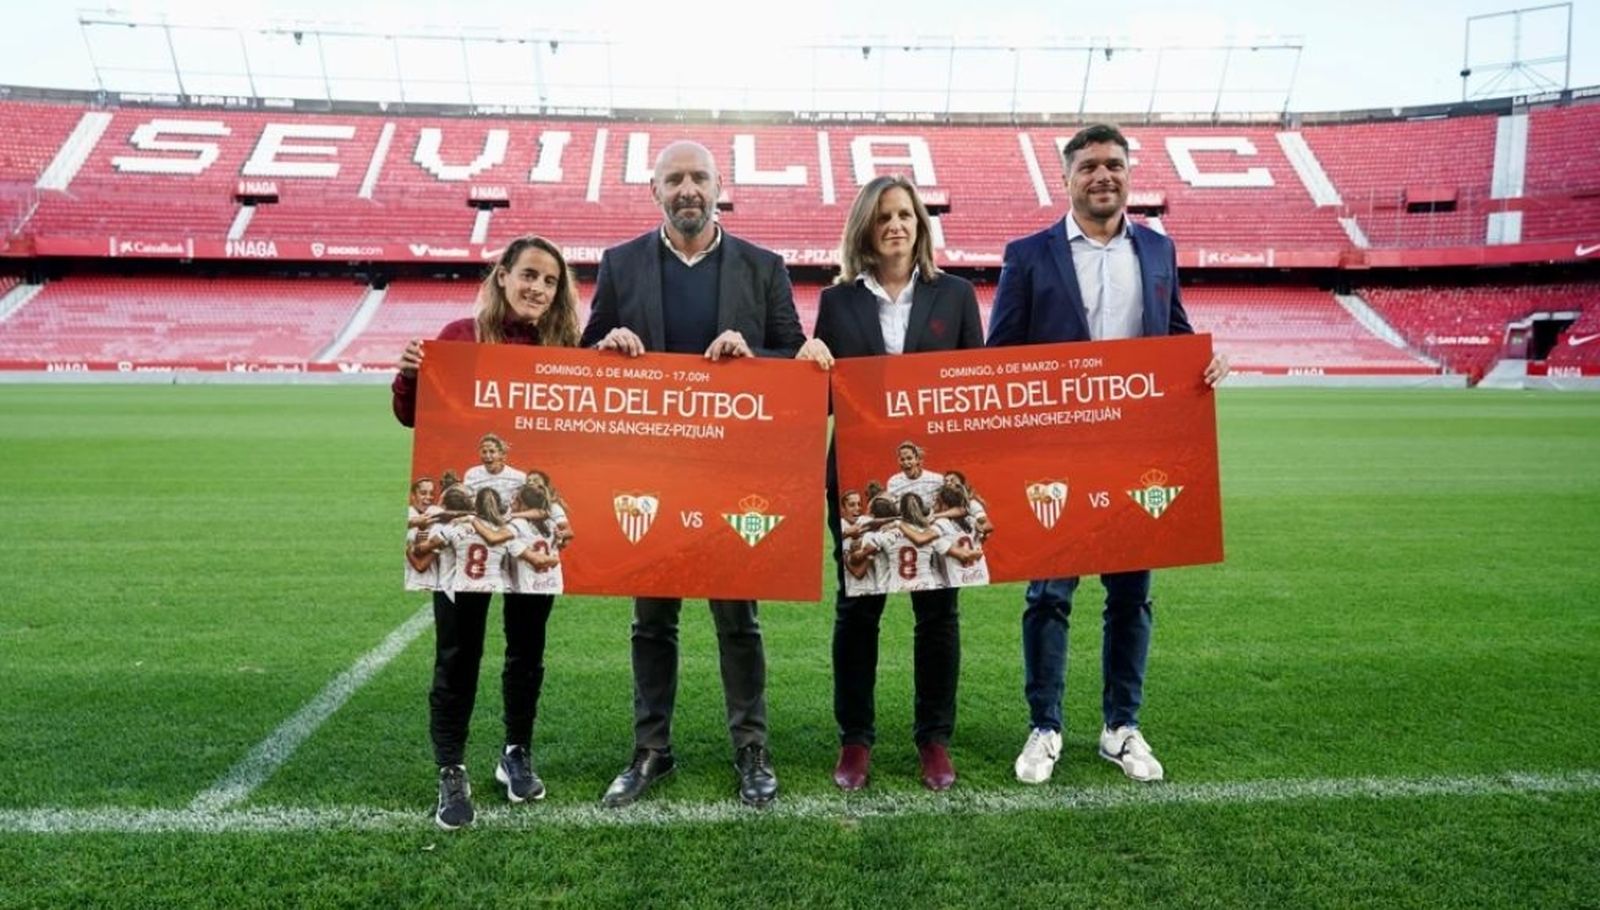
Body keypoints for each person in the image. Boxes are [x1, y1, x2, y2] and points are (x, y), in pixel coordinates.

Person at [987, 123, 1229, 785]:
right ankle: (1045, 726)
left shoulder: (1158, 249)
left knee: (1131, 598)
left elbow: (1174, 336)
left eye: (1114, 165)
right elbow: (1000, 357)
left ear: (1128, 174)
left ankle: (1121, 727)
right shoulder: (1029, 254)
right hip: (1056, 460)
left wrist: (1206, 361)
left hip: (1135, 455)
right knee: (1049, 597)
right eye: (1089, 166)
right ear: (1066, 179)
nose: (1103, 176)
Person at [580, 140, 805, 808]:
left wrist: (752, 353)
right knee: (652, 623)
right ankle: (652, 750)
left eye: (698, 177)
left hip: (733, 475)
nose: (687, 189)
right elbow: (589, 352)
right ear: (654, 190)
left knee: (739, 620)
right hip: (649, 476)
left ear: (718, 186)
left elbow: (793, 356)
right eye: (674, 178)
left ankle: (752, 750)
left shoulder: (764, 267)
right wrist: (607, 348)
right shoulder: (621, 264)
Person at [391, 234, 583, 829]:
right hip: (468, 538)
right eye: (528, 275)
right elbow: (410, 415)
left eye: (550, 282)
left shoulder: (566, 349)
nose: (538, 289)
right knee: (458, 650)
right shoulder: (457, 339)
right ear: (502, 275)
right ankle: (451, 768)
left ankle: (515, 753)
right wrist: (409, 376)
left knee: (527, 649)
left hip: (529, 537)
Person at [801, 173, 984, 792]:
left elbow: (973, 391)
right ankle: (855, 740)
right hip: (858, 482)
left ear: (920, 224)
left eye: (906, 214)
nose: (897, 225)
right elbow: (823, 402)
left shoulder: (956, 295)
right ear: (867, 230)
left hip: (935, 484)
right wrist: (810, 366)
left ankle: (934, 739)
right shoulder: (838, 302)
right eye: (883, 217)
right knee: (859, 610)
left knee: (939, 610)